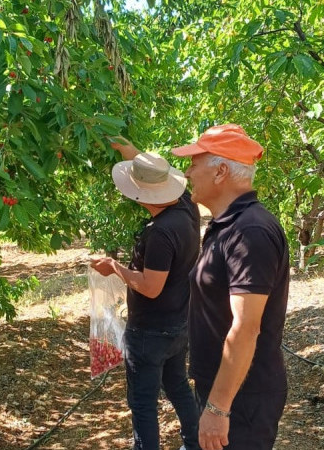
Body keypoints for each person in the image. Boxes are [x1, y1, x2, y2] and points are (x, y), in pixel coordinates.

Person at [170, 124, 290, 450]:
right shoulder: (226, 225)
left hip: (241, 399)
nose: (188, 171)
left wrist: (218, 408)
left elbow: (246, 327)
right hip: (219, 387)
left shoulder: (249, 232)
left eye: (195, 163)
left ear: (221, 171)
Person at [91, 138, 200, 450]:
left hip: (150, 332)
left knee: (142, 402)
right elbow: (157, 174)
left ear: (140, 195)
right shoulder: (187, 207)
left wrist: (115, 267)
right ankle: (194, 443)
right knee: (177, 384)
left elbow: (151, 287)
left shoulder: (160, 233)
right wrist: (129, 150)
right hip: (179, 323)